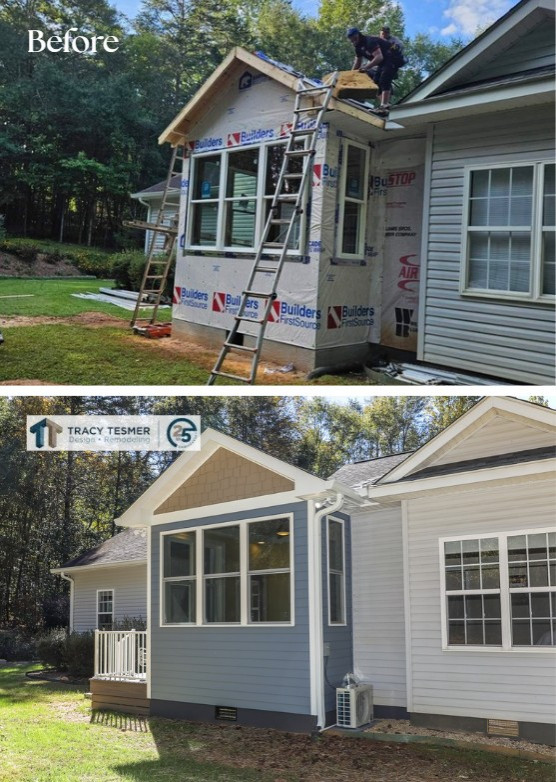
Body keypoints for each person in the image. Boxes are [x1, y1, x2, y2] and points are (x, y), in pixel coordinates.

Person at [347, 26, 405, 115]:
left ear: (358, 35)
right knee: (375, 82)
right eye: (351, 40)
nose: (353, 41)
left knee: (384, 79)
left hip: (393, 58)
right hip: (383, 62)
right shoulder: (358, 47)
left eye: (354, 38)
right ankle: (385, 105)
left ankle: (384, 106)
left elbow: (379, 57)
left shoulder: (369, 41)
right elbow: (358, 62)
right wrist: (351, 75)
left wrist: (366, 67)